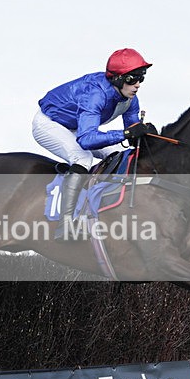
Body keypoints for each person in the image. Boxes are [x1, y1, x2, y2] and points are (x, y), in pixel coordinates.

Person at [32, 48, 157, 239]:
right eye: (133, 79)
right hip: (50, 124)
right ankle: (65, 225)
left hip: (79, 126)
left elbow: (131, 132)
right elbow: (86, 140)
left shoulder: (131, 98)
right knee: (82, 157)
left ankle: (104, 209)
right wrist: (126, 133)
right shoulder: (95, 95)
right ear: (117, 79)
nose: (138, 84)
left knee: (117, 153)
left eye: (141, 77)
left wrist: (146, 134)